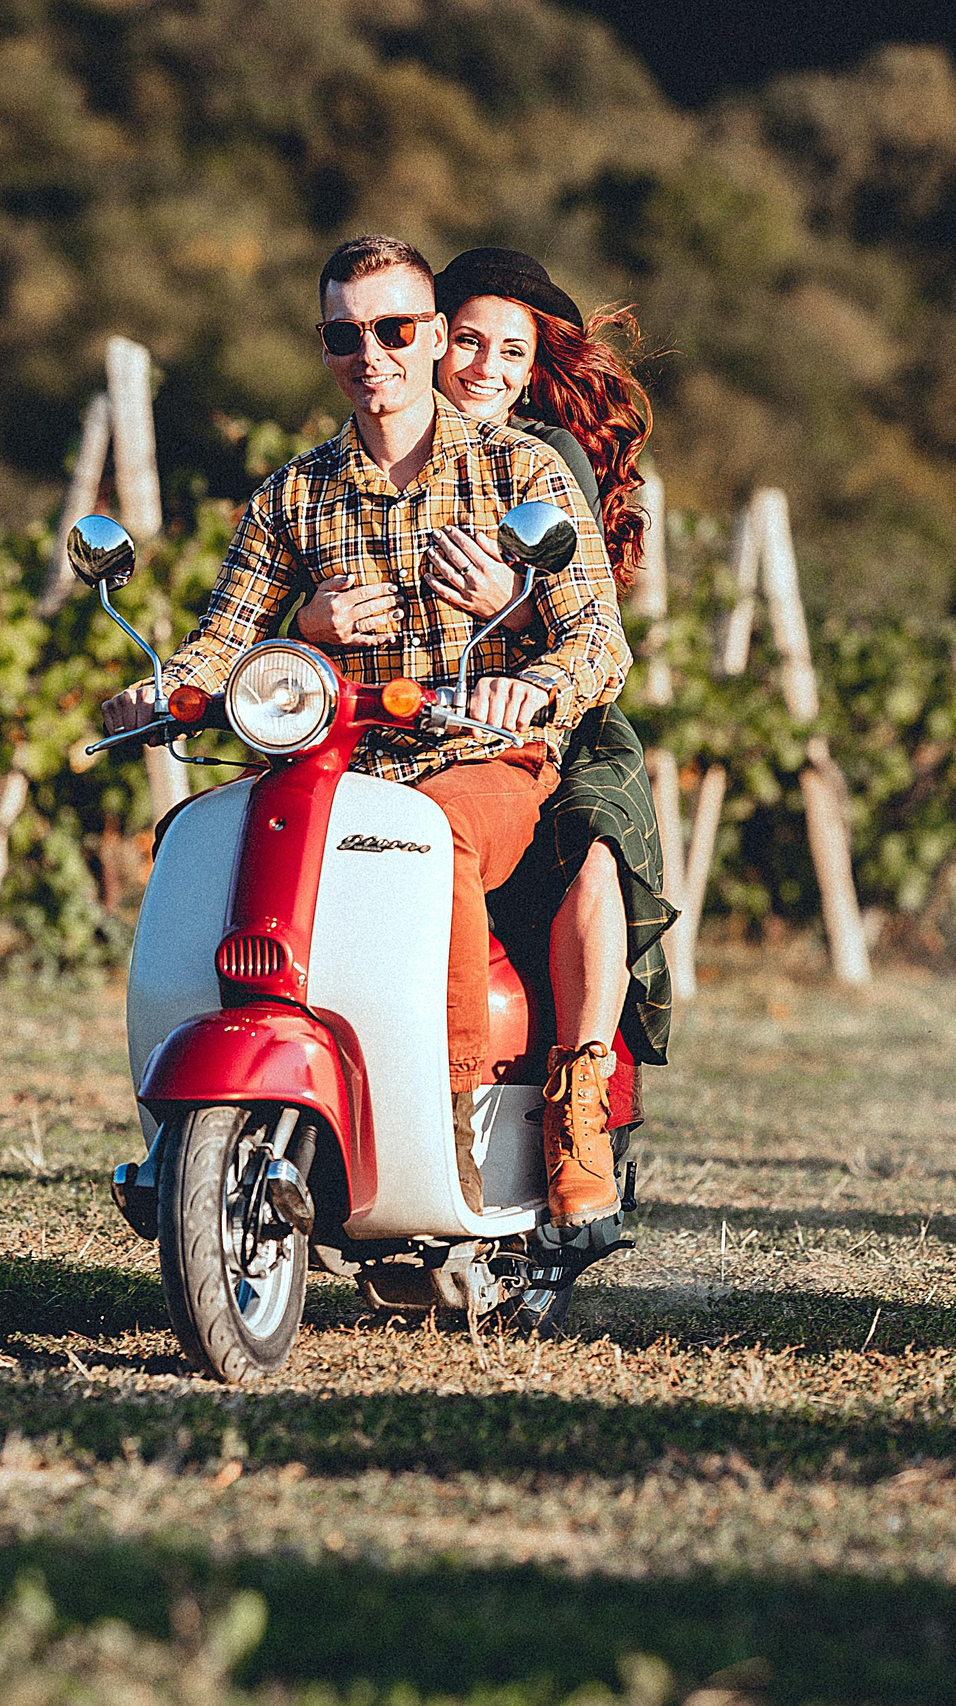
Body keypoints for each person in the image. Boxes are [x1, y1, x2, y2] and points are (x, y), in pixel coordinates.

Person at [98, 235, 631, 1225]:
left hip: (480, 757)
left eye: (393, 329)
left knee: (435, 840)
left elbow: (599, 637)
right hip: (333, 763)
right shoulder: (292, 494)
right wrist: (162, 688)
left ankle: (458, 1108)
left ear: (431, 335)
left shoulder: (524, 473)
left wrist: (535, 686)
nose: (371, 354)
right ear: (325, 344)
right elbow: (222, 640)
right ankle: (200, 1112)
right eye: (346, 334)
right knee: (196, 842)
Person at [297, 247, 673, 1211]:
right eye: (467, 342)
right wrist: (304, 628)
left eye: (512, 353)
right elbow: (250, 621)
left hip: (548, 713)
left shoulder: (544, 465)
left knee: (594, 833)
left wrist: (519, 607)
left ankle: (577, 1099)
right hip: (382, 729)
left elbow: (591, 627)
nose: (484, 369)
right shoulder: (328, 476)